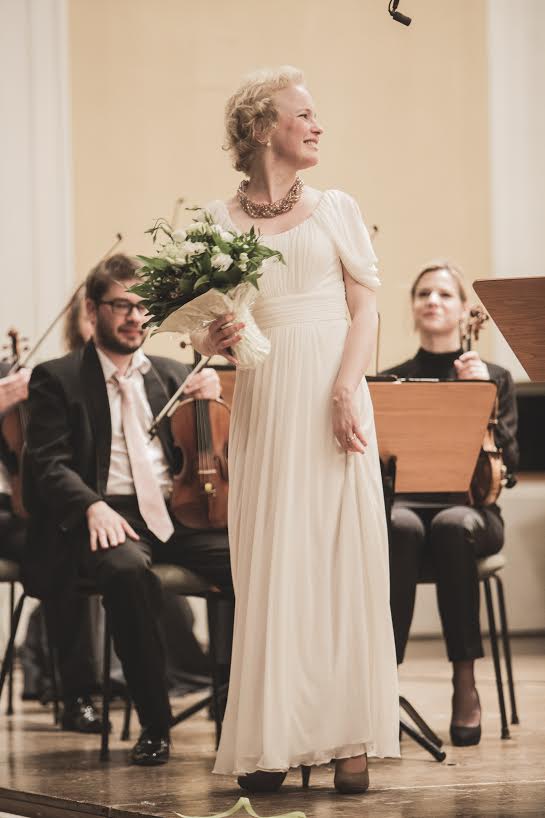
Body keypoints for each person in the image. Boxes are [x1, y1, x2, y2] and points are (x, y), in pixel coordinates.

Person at [192, 66, 399, 794]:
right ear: (260, 128)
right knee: (274, 562)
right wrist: (212, 337)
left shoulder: (337, 207)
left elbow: (366, 309)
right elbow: (204, 333)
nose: (317, 126)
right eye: (303, 114)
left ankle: (350, 735)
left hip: (333, 392)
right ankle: (271, 738)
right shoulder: (216, 222)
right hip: (267, 397)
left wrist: (346, 388)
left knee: (338, 559)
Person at [23, 253, 233, 765]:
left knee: (252, 560)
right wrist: (90, 506)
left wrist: (213, 395)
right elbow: (48, 464)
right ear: (93, 310)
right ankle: (156, 723)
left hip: (174, 513)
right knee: (125, 571)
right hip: (108, 513)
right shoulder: (57, 378)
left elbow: (205, 449)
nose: (136, 317)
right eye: (122, 306)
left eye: (143, 307)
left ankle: (237, 707)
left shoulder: (173, 374)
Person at [381, 261, 518, 747]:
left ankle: (465, 682)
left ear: (464, 310)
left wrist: (482, 396)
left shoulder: (494, 377)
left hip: (474, 511)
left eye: (444, 294)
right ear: (413, 307)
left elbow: (510, 464)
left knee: (451, 524)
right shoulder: (390, 380)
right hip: (408, 508)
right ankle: (384, 684)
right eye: (423, 294)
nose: (432, 301)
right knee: (398, 525)